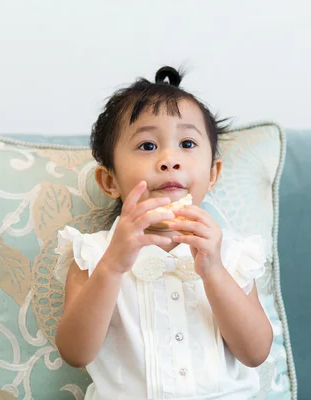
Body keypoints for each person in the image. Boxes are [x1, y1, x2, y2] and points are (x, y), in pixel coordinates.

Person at [54, 66, 273, 399]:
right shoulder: (94, 254)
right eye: (147, 146)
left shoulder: (232, 254)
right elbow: (75, 352)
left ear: (213, 174)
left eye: (187, 143)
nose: (170, 159)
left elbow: (255, 352)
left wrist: (213, 270)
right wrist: (113, 265)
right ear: (110, 181)